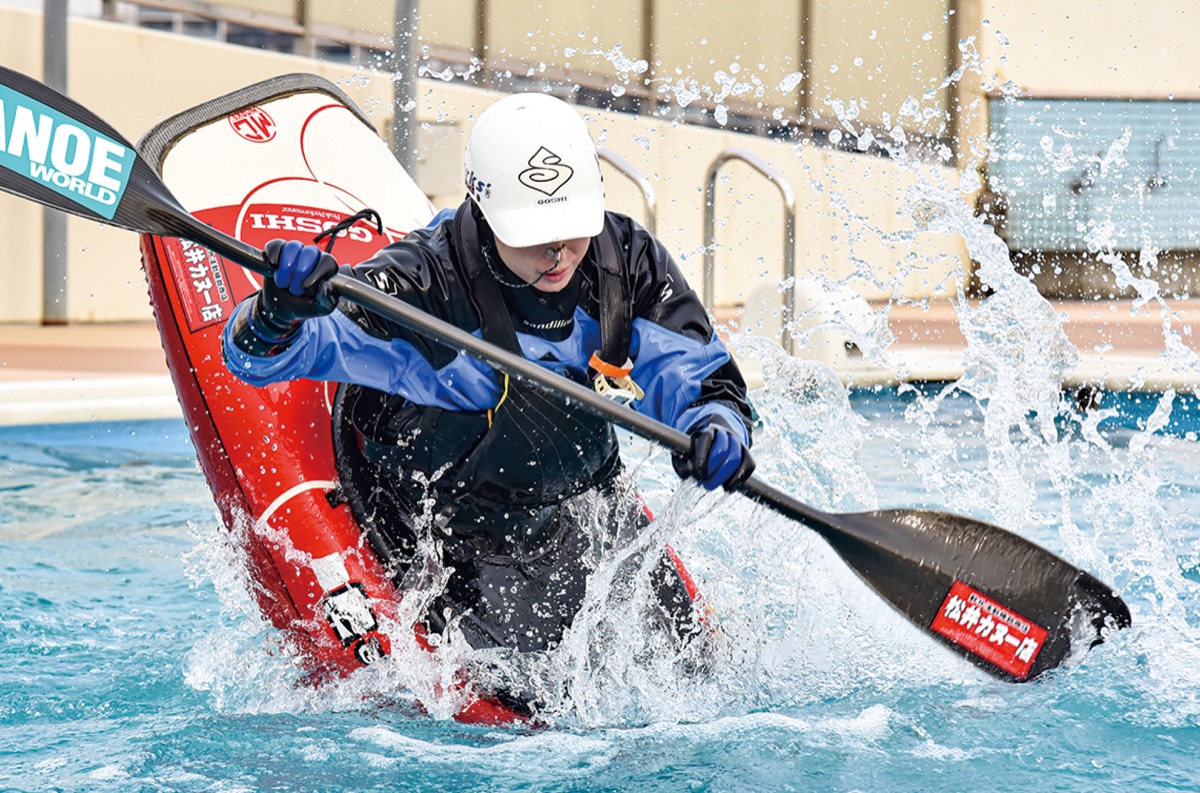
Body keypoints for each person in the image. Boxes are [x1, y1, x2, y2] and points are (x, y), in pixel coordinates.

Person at [221, 92, 754, 691]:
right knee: (537, 711)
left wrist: (718, 428)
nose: (558, 253)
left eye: (570, 230)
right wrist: (277, 310)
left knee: (702, 677)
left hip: (581, 501)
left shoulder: (628, 264)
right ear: (484, 208)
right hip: (449, 524)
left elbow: (705, 382)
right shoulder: (423, 285)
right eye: (536, 234)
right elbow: (253, 360)